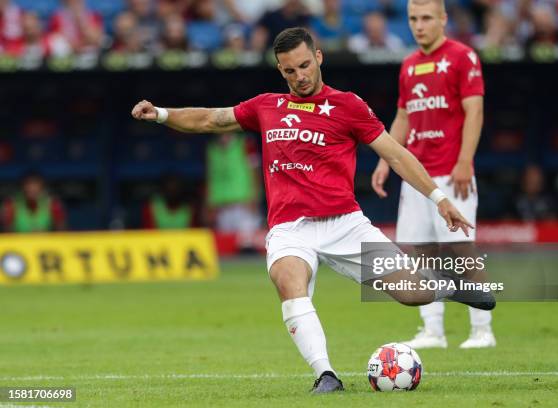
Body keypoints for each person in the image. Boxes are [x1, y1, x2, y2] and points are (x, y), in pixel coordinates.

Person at [132, 27, 495, 393]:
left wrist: (440, 199)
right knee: (288, 280)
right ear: (280, 70)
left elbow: (396, 155)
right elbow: (210, 119)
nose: (300, 76)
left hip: (345, 224)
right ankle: (326, 375)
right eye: (290, 71)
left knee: (411, 293)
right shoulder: (266, 107)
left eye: (305, 65)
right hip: (290, 228)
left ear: (318, 58)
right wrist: (161, 113)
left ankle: (448, 288)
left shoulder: (348, 106)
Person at [371, 0, 495, 349]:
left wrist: (465, 160)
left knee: (459, 249)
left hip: (452, 174)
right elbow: (403, 117)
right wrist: (385, 161)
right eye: (413, 18)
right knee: (420, 252)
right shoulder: (409, 65)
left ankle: (482, 329)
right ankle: (433, 331)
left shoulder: (462, 56)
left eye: (426, 18)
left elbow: (475, 111)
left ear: (443, 19)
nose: (419, 25)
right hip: (417, 177)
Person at [2, 173, 67, 232]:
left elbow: (61, 230)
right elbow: (5, 232)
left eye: (35, 186)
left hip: (46, 243)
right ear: (22, 187)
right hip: (17, 243)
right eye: (28, 186)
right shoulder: (10, 204)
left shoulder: (53, 204)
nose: (32, 189)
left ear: (42, 188)